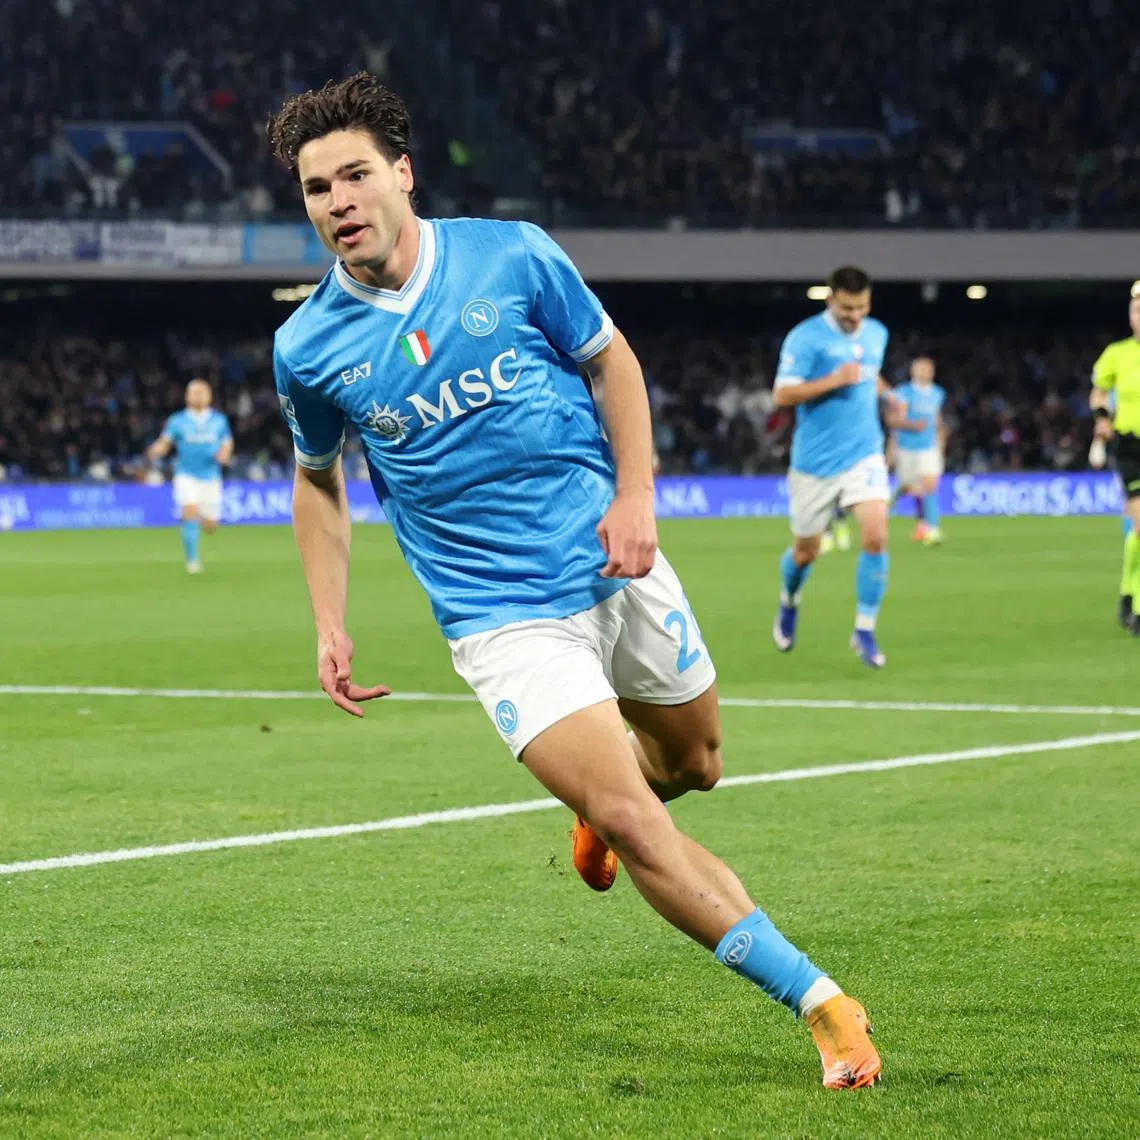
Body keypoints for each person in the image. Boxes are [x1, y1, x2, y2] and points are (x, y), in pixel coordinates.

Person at [266, 72, 880, 1089]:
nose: (336, 201)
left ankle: (597, 811)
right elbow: (318, 484)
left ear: (402, 174)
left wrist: (635, 494)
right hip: (501, 619)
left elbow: (613, 364)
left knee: (695, 768)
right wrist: (328, 619)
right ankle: (824, 1005)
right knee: (648, 820)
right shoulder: (308, 347)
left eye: (354, 175)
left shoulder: (513, 253)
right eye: (314, 188)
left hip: (612, 560)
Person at [770, 267, 895, 668]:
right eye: (846, 308)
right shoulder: (805, 338)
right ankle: (789, 600)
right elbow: (783, 393)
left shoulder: (877, 333)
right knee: (806, 552)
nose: (855, 316)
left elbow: (868, 374)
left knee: (875, 536)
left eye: (861, 307)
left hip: (865, 453)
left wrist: (888, 394)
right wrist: (833, 380)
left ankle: (864, 630)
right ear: (830, 300)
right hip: (815, 464)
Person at [1090, 289, 1140, 633]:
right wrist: (1102, 416)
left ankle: (1126, 589)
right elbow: (1098, 391)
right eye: (1136, 310)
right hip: (1131, 446)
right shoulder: (1117, 354)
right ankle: (1137, 605)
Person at [146, 378, 233, 573]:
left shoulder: (219, 420)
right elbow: (165, 441)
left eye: (203, 392)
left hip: (211, 476)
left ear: (209, 396)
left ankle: (202, 516)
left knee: (210, 525)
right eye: (194, 392)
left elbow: (227, 442)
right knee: (190, 512)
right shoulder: (177, 420)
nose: (199, 396)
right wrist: (156, 450)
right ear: (187, 396)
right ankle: (192, 561)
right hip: (186, 474)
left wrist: (225, 454)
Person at [892, 356, 947, 545]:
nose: (926, 372)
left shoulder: (938, 393)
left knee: (930, 484)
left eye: (929, 368)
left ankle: (933, 528)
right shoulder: (903, 392)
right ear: (913, 371)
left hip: (928, 447)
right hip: (907, 447)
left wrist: (941, 444)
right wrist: (912, 425)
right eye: (921, 368)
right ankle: (919, 519)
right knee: (911, 487)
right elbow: (894, 420)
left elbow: (938, 420)